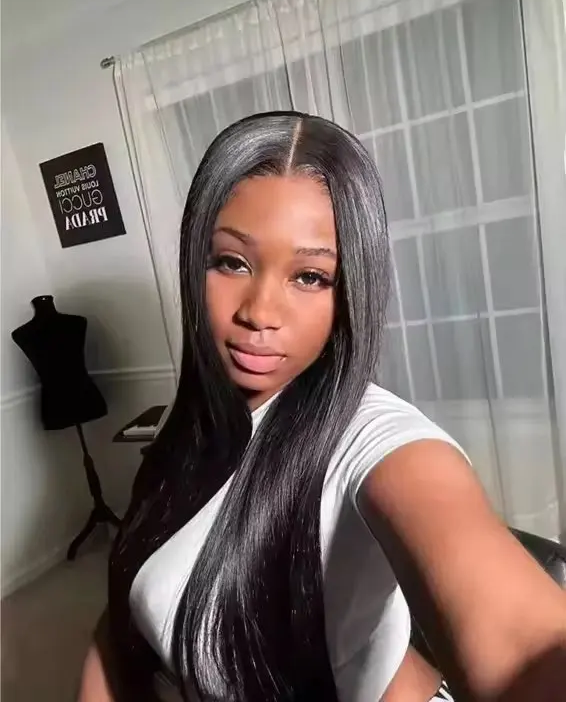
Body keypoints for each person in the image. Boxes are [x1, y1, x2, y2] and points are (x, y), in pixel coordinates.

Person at [79, 111, 566, 702]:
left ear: (351, 290)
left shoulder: (376, 440)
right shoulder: (186, 430)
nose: (259, 312)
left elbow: (523, 645)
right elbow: (128, 609)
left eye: (310, 276)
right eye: (232, 262)